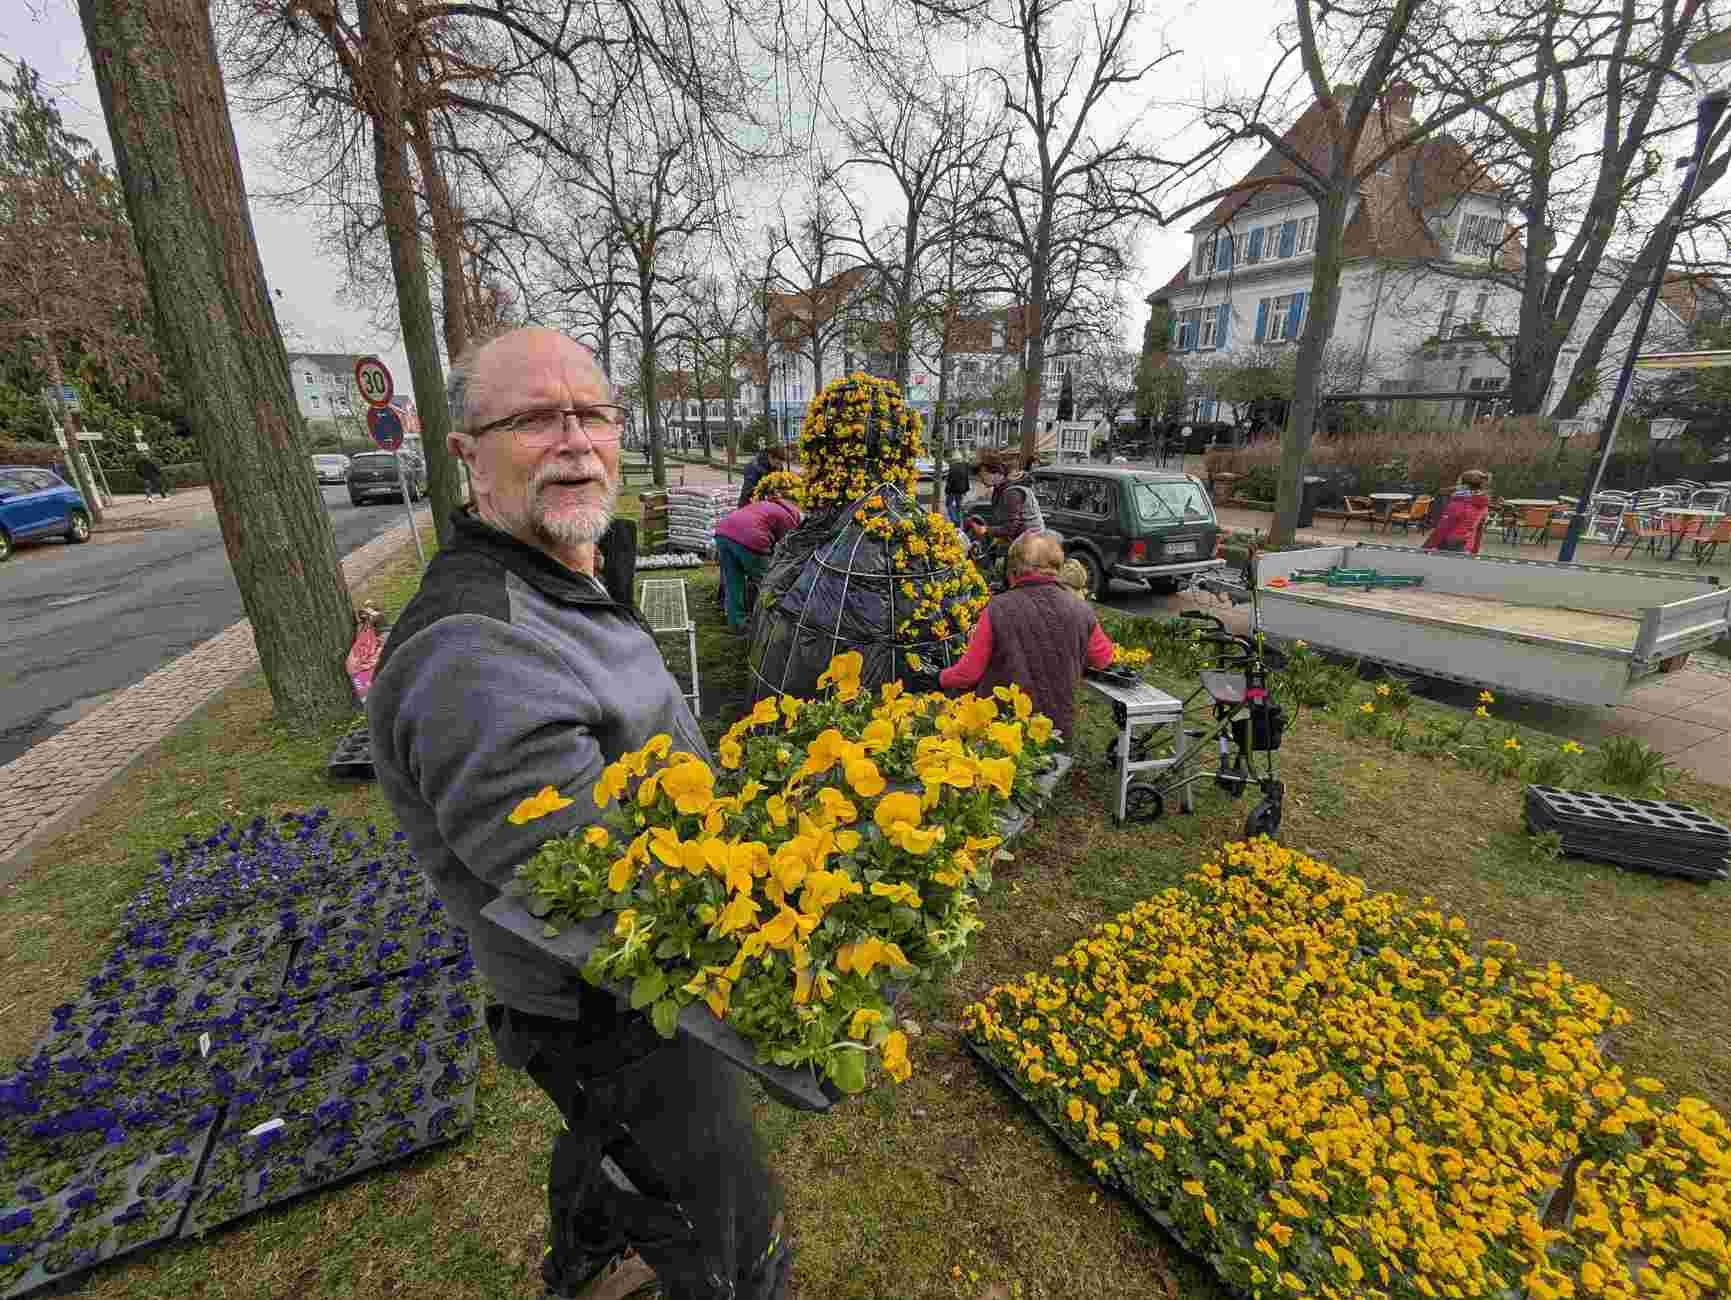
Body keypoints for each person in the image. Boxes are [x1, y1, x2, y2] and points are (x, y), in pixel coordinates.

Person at [368, 326, 787, 1300]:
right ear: (468, 452)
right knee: (723, 1227)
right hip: (614, 1007)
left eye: (593, 411)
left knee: (611, 1142)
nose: (576, 437)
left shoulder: (562, 569)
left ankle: (587, 1256)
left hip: (616, 1003)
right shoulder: (477, 655)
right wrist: (791, 923)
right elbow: (604, 899)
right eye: (534, 417)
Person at [940, 531, 1112, 744]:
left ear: (1014, 571)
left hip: (1001, 727)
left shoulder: (998, 608)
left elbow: (968, 673)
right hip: (1055, 728)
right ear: (1056, 569)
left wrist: (941, 678)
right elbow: (1103, 658)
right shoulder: (1081, 609)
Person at [713, 492, 802, 629]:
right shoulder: (790, 518)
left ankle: (737, 622)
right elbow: (788, 547)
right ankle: (767, 623)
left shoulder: (767, 505)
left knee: (733, 580)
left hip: (723, 533)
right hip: (751, 539)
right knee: (767, 582)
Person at [1423, 468, 1493, 554]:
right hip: (1467, 545)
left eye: (1459, 483)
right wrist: (1475, 551)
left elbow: (1442, 529)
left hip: (1449, 544)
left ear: (1464, 486)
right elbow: (1479, 531)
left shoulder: (1458, 503)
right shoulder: (1483, 505)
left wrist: (1425, 548)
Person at [736, 443, 786, 509]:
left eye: (780, 464)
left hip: (766, 502)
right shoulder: (754, 467)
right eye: (777, 463)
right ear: (770, 456)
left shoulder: (776, 466)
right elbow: (748, 492)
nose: (779, 466)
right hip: (748, 505)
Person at [943, 456, 972, 525]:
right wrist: (966, 490)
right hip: (961, 490)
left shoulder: (952, 467)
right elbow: (966, 479)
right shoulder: (964, 467)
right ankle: (958, 519)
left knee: (949, 504)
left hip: (952, 490)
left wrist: (946, 491)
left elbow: (950, 480)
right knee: (959, 505)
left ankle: (954, 519)